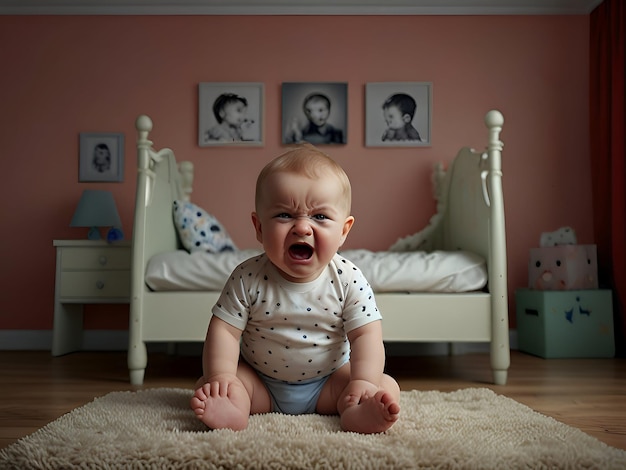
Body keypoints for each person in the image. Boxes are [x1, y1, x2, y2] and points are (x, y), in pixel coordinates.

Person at [191, 144, 400, 434]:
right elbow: (224, 330)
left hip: (329, 384)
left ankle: (357, 411)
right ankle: (233, 408)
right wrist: (222, 376)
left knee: (384, 384)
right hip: (260, 384)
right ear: (259, 227)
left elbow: (366, 334)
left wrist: (362, 383)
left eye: (320, 217)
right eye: (284, 216)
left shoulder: (348, 279)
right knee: (213, 384)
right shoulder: (247, 277)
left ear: (344, 230)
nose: (302, 228)